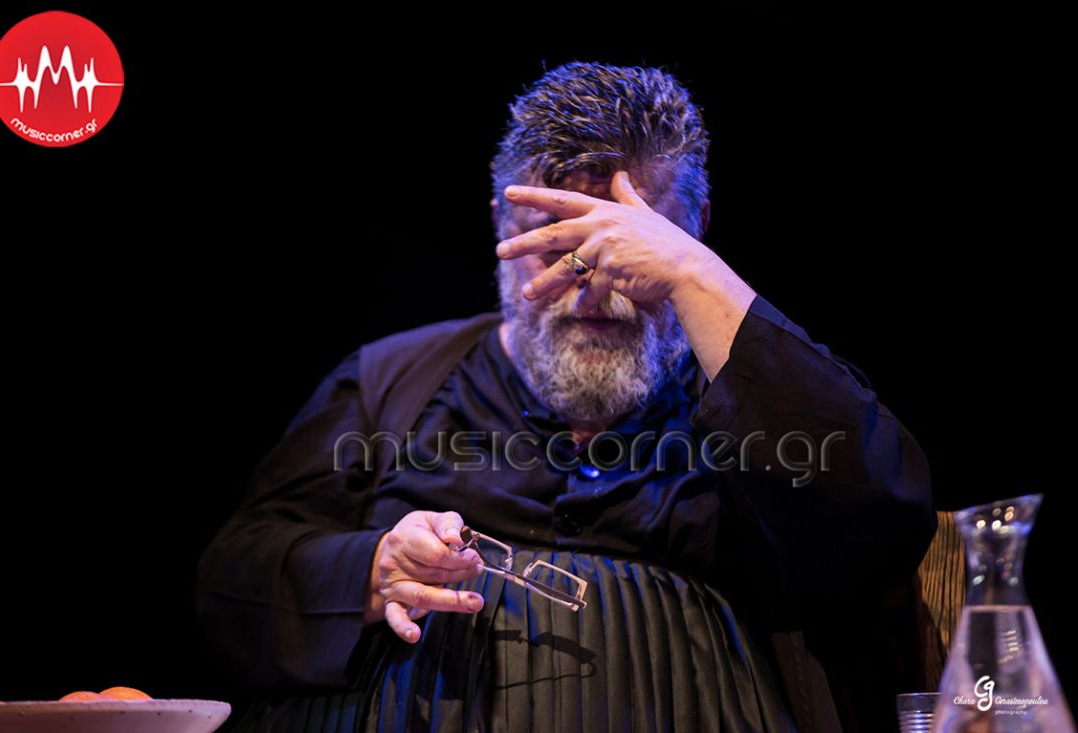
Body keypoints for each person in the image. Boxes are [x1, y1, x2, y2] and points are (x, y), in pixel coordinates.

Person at [196, 61, 937, 733]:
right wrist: (372, 568)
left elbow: (883, 530)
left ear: (695, 231)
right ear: (500, 222)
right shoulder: (391, 380)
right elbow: (233, 581)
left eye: (629, 244)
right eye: (555, 242)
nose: (593, 285)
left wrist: (696, 279)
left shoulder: (758, 393)